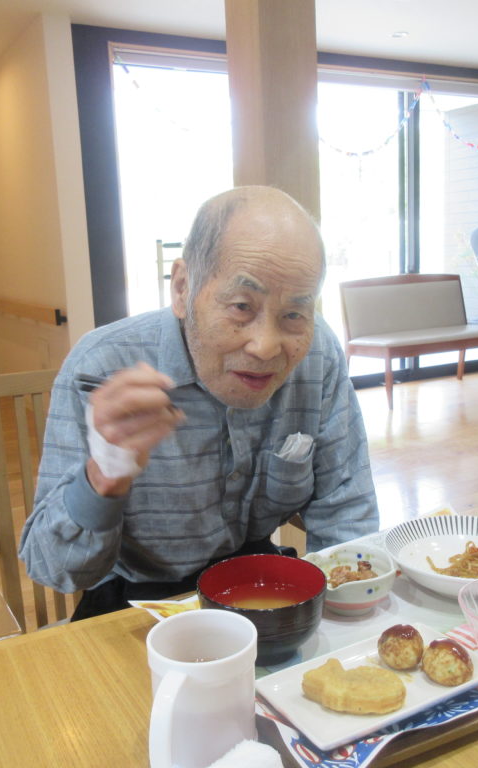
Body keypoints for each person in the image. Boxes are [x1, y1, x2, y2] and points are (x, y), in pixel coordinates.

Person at [19, 186, 379, 619]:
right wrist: (103, 476)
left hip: (258, 585)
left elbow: (347, 513)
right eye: (242, 306)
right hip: (133, 602)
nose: (266, 346)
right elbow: (51, 567)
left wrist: (347, 623)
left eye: (293, 314)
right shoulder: (103, 365)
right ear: (182, 287)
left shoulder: (317, 355)